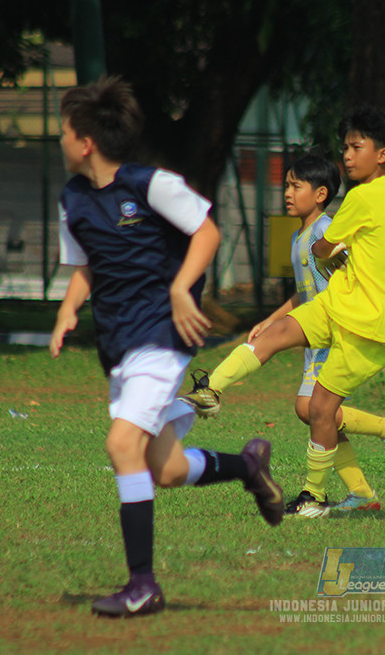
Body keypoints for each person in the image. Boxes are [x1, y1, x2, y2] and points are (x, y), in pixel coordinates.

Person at [49, 76, 284, 617]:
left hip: (161, 336)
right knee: (167, 470)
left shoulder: (150, 184)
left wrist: (181, 288)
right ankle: (248, 467)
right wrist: (68, 309)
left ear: (85, 141)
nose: (59, 141)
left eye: (63, 132)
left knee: (121, 446)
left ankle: (143, 585)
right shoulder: (74, 200)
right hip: (119, 344)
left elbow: (206, 233)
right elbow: (86, 264)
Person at [181, 107, 385, 518]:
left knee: (319, 411)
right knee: (271, 337)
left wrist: (334, 252)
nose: (347, 155)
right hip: (336, 305)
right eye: (345, 147)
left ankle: (318, 493)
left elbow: (322, 249)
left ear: (382, 154)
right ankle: (211, 389)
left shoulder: (363, 197)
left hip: (363, 323)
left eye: (355, 147)